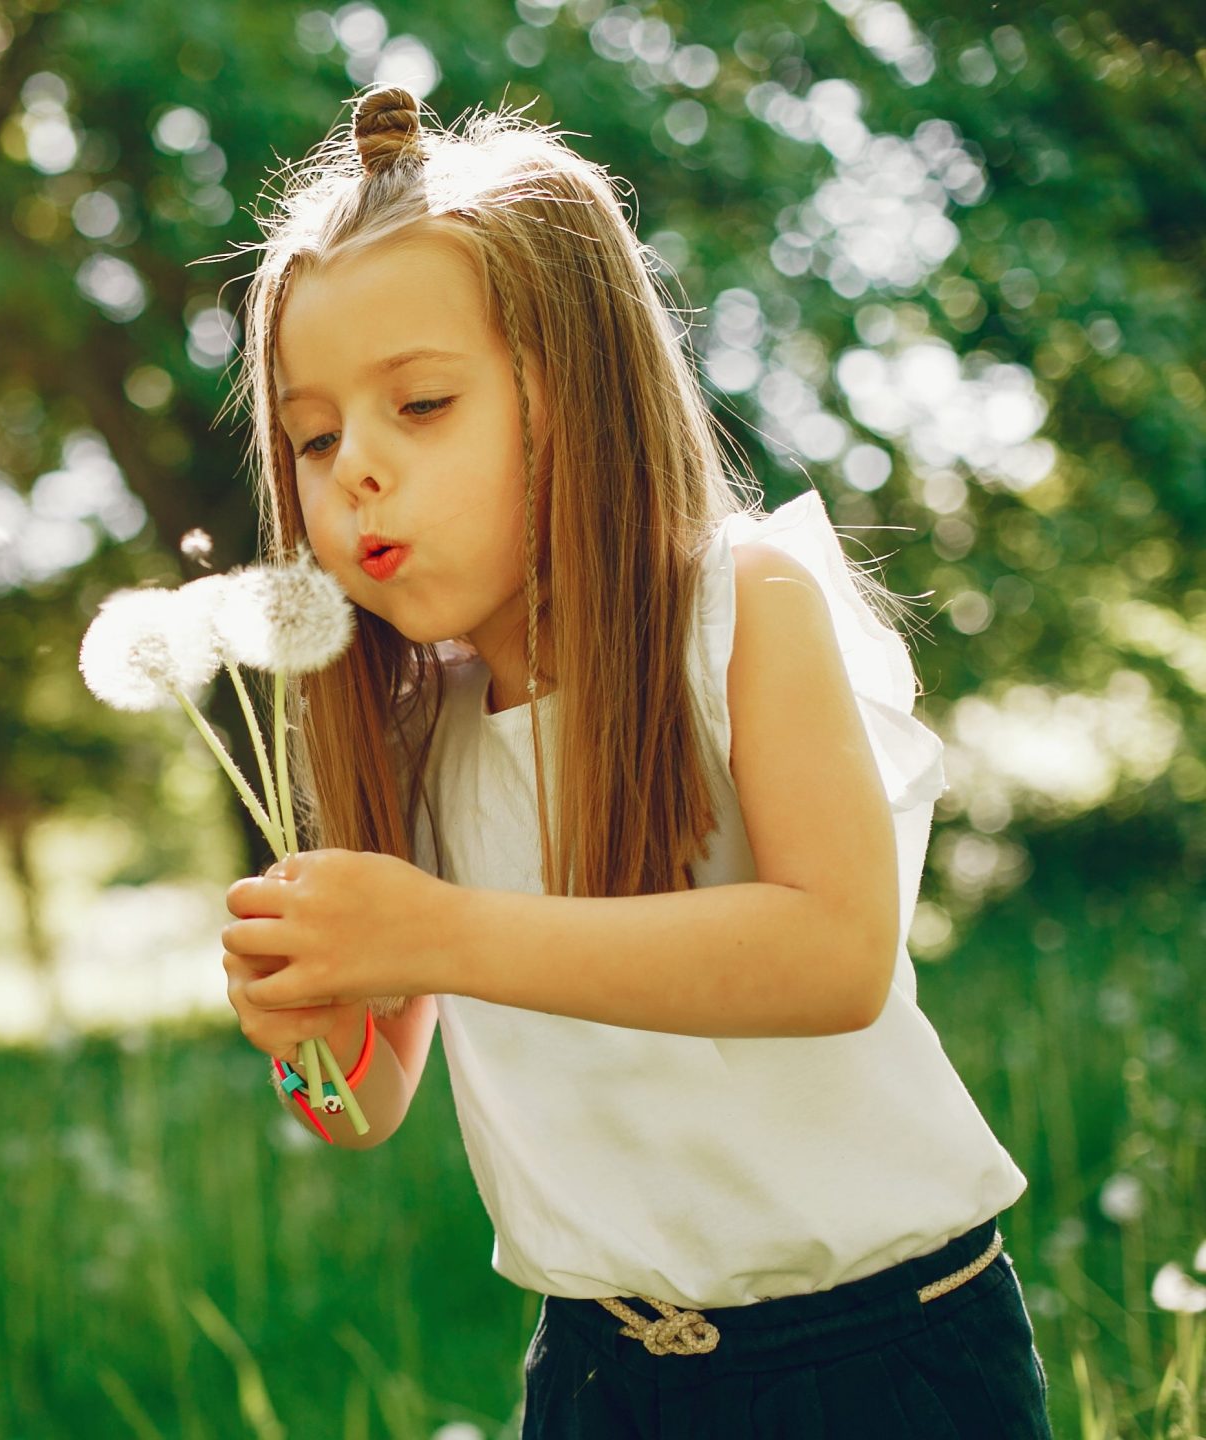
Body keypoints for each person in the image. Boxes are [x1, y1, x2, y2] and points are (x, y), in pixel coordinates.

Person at [213, 84, 1051, 1437]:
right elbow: (356, 1111)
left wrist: (435, 933)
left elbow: (832, 956)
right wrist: (300, 1031)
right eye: (315, 436)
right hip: (602, 1377)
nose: (352, 467)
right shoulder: (416, 724)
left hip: (881, 1359)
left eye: (419, 404)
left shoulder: (747, 606)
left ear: (579, 391)